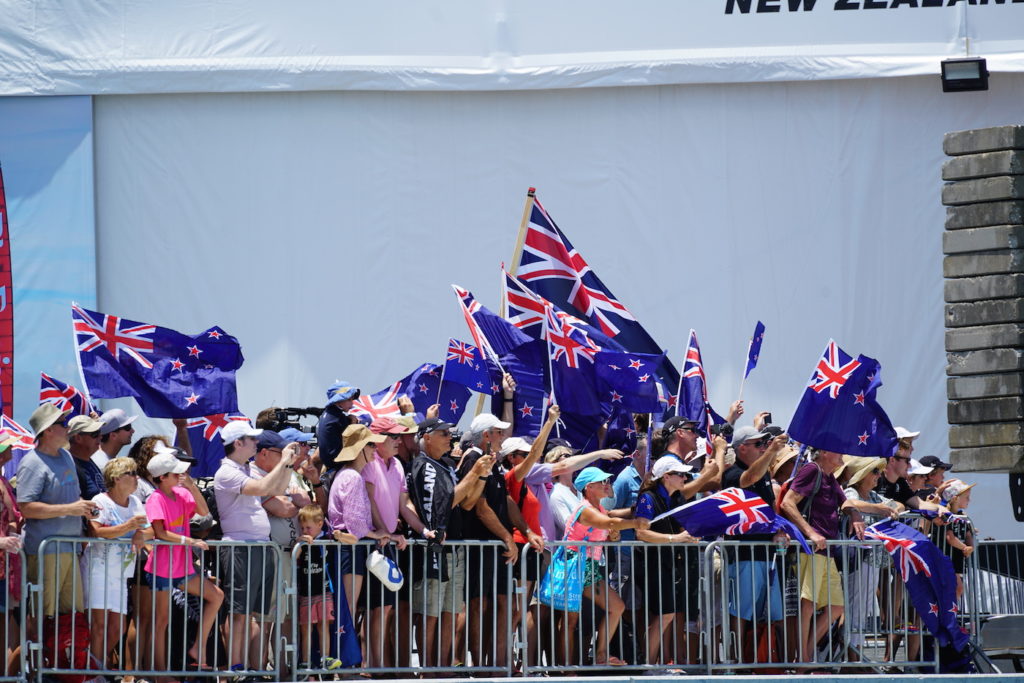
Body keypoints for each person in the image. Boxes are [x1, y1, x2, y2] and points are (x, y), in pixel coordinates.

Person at [406, 417, 492, 670]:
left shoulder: (445, 464)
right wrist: (473, 473)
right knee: (430, 614)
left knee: (450, 613)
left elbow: (466, 503)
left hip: (454, 547)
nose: (449, 437)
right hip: (434, 549)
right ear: (427, 437)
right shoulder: (424, 466)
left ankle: (443, 668)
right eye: (443, 433)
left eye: (450, 433)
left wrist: (481, 477)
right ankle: (427, 670)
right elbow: (443, 506)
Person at [214, 419, 296, 673]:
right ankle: (235, 668)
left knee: (250, 614)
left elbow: (277, 487)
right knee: (239, 613)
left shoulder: (245, 469)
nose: (256, 442)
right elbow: (263, 488)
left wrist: (287, 463)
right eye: (251, 439)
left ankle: (249, 669)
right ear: (238, 443)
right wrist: (284, 460)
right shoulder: (227, 472)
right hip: (240, 547)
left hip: (258, 546)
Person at [779, 448, 865, 664]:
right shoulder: (812, 470)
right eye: (837, 450)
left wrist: (854, 513)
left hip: (826, 551)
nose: (842, 453)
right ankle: (803, 661)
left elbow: (844, 502)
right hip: (810, 549)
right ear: (825, 452)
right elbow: (788, 503)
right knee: (807, 605)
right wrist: (810, 533)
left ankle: (805, 657)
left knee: (836, 607)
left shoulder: (828, 476)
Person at [558, 467, 649, 667]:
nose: (607, 484)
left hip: (587, 567)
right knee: (570, 621)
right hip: (573, 566)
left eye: (607, 481)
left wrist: (615, 533)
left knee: (616, 607)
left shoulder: (598, 509)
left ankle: (600, 656)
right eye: (602, 482)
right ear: (589, 487)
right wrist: (635, 523)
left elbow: (610, 527)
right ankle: (565, 669)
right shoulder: (586, 510)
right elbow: (610, 523)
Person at [144, 448, 223, 675]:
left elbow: (204, 512)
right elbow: (160, 533)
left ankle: (198, 648)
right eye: (175, 473)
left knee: (216, 596)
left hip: (182, 567)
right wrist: (190, 541)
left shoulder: (181, 493)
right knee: (161, 621)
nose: (181, 475)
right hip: (161, 568)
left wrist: (192, 487)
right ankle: (160, 674)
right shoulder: (155, 498)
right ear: (162, 477)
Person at [362, 417, 432, 670]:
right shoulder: (369, 463)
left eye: (399, 436)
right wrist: (384, 532)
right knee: (373, 608)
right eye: (393, 436)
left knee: (385, 608)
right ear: (378, 439)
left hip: (388, 543)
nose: (399, 441)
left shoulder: (398, 465)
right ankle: (372, 666)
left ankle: (379, 666)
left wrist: (423, 530)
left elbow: (404, 506)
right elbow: (370, 501)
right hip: (371, 542)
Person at [17, 403, 96, 618]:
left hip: (70, 546)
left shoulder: (66, 456)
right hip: (46, 550)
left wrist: (84, 508)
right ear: (48, 430)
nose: (68, 427)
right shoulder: (32, 463)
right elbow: (26, 508)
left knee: (72, 617)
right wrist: (70, 509)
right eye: (63, 423)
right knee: (43, 617)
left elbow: (73, 498)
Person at [720, 427, 790, 664]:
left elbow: (769, 510)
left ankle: (773, 662)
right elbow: (748, 479)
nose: (763, 447)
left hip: (767, 553)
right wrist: (771, 452)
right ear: (742, 448)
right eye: (758, 444)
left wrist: (779, 530)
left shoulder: (765, 475)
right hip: (744, 554)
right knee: (741, 611)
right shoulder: (732, 474)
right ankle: (738, 661)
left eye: (764, 444)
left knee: (775, 613)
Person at [326, 423, 403, 624]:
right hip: (350, 548)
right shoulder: (353, 477)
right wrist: (376, 534)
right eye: (370, 445)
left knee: (347, 609)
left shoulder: (347, 474)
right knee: (347, 610)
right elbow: (355, 523)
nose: (374, 448)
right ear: (360, 448)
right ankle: (342, 645)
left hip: (348, 547)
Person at [85, 457, 151, 674]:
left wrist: (140, 534)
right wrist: (128, 527)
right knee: (99, 626)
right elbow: (96, 531)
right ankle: (95, 673)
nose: (136, 477)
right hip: (98, 568)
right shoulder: (100, 501)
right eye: (131, 473)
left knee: (118, 627)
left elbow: (149, 529)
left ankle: (94, 666)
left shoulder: (135, 502)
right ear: (116, 478)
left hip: (121, 572)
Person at [634, 456, 701, 668]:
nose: (685, 478)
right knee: (665, 614)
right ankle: (647, 665)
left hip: (669, 563)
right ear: (666, 477)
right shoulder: (648, 498)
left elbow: (679, 528)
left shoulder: (676, 498)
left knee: (667, 614)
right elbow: (641, 533)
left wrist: (689, 535)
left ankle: (649, 664)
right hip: (652, 564)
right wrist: (675, 538)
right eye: (680, 474)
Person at [841, 457, 901, 657]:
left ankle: (855, 657)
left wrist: (891, 508)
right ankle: (851, 659)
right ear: (861, 475)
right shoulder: (852, 492)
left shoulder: (874, 496)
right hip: (857, 559)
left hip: (871, 560)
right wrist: (879, 509)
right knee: (855, 609)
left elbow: (898, 505)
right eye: (874, 471)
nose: (879, 475)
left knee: (863, 608)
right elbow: (848, 503)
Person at [295, 504, 354, 671]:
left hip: (324, 590)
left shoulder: (328, 537)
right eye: (302, 528)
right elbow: (294, 557)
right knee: (306, 627)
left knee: (324, 625)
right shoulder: (302, 542)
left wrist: (340, 535)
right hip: (306, 592)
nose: (305, 531)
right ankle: (305, 661)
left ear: (320, 524)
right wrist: (299, 544)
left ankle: (325, 658)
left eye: (308, 527)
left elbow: (354, 540)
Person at [0, 436, 23, 678]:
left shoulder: (4, 481)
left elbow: (12, 518)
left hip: (6, 565)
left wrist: (13, 534)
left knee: (5, 622)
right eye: (7, 445)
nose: (11, 448)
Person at [931, 479, 975, 600]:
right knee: (956, 588)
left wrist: (971, 547)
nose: (969, 500)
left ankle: (950, 612)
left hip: (956, 559)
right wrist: (965, 547)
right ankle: (948, 612)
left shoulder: (962, 516)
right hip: (945, 558)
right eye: (967, 497)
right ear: (955, 499)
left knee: (955, 589)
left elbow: (968, 535)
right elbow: (950, 538)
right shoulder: (946, 515)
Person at [315, 381, 360, 475]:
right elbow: (352, 440)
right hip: (338, 466)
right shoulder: (338, 419)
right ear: (338, 401)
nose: (352, 404)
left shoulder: (329, 414)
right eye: (349, 400)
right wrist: (353, 424)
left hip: (330, 465)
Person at [68, 415, 106, 500]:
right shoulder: (69, 467)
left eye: (99, 432)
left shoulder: (90, 462)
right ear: (78, 438)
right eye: (95, 434)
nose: (100, 436)